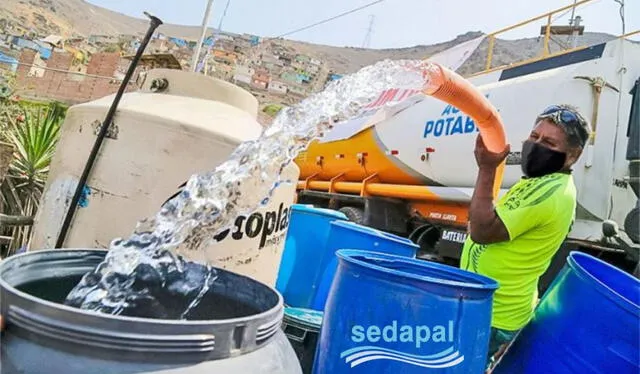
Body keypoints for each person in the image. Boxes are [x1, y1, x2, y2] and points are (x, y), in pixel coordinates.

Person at [459, 104, 591, 370]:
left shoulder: (552, 192)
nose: (536, 145)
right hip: (483, 307)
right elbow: (496, 223)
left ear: (572, 156)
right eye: (535, 137)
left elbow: (484, 231)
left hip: (495, 315)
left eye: (549, 142)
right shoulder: (538, 180)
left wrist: (487, 169)